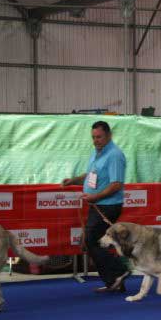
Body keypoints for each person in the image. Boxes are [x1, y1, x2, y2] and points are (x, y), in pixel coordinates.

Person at [62, 121, 129, 293]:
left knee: (91, 241)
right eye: (93, 137)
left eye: (99, 137)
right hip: (97, 205)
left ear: (109, 135)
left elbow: (116, 185)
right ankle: (114, 282)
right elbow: (90, 175)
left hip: (107, 207)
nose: (95, 140)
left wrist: (94, 196)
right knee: (94, 242)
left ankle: (121, 270)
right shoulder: (96, 153)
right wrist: (73, 181)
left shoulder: (115, 155)